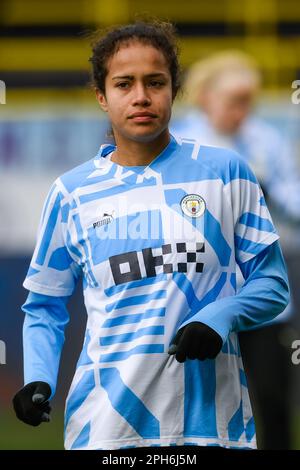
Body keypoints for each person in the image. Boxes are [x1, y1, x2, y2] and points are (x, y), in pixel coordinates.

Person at [12, 21, 289, 451]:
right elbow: (45, 305)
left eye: (154, 82)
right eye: (124, 84)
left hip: (215, 431)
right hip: (104, 432)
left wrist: (220, 315)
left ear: (173, 90)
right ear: (102, 96)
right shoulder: (72, 192)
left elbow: (273, 286)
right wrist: (38, 377)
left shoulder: (226, 173)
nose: (141, 96)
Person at [171, 51, 300, 449]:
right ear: (206, 96)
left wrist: (270, 193)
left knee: (273, 402)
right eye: (234, 99)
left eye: (249, 99)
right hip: (199, 296)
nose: (243, 110)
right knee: (197, 409)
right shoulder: (178, 140)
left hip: (261, 296)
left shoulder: (267, 140)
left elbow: (296, 207)